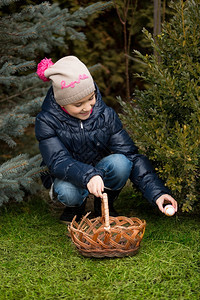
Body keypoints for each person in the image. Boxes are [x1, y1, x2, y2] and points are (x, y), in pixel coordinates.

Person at [35, 56, 177, 223]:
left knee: (122, 163)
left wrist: (157, 193)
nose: (88, 107)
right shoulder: (46, 121)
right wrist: (88, 176)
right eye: (78, 104)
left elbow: (131, 155)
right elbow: (58, 161)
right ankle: (75, 208)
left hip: (99, 170)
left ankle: (103, 205)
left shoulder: (105, 115)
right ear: (62, 104)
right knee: (68, 192)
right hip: (67, 175)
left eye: (91, 98)